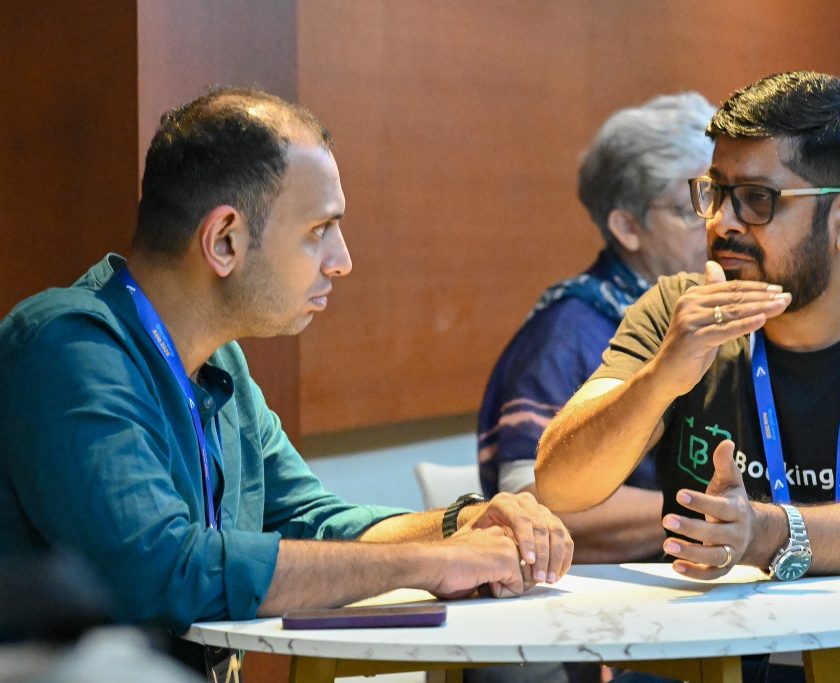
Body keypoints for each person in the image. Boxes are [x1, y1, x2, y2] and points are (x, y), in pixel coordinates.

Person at [0, 89, 573, 655]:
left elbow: (309, 521)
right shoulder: (67, 345)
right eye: (318, 230)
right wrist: (434, 562)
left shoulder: (219, 359)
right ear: (225, 241)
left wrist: (460, 526)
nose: (341, 260)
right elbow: (162, 570)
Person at [535, 71, 840, 682]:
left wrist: (763, 531)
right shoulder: (677, 315)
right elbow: (561, 488)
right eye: (714, 193)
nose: (722, 223)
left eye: (757, 199)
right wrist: (660, 378)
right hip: (701, 664)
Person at [478, 92, 715, 564]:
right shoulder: (567, 334)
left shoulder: (719, 311)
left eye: (716, 198)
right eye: (690, 211)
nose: (716, 226)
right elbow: (532, 506)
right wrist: (721, 513)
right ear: (628, 227)